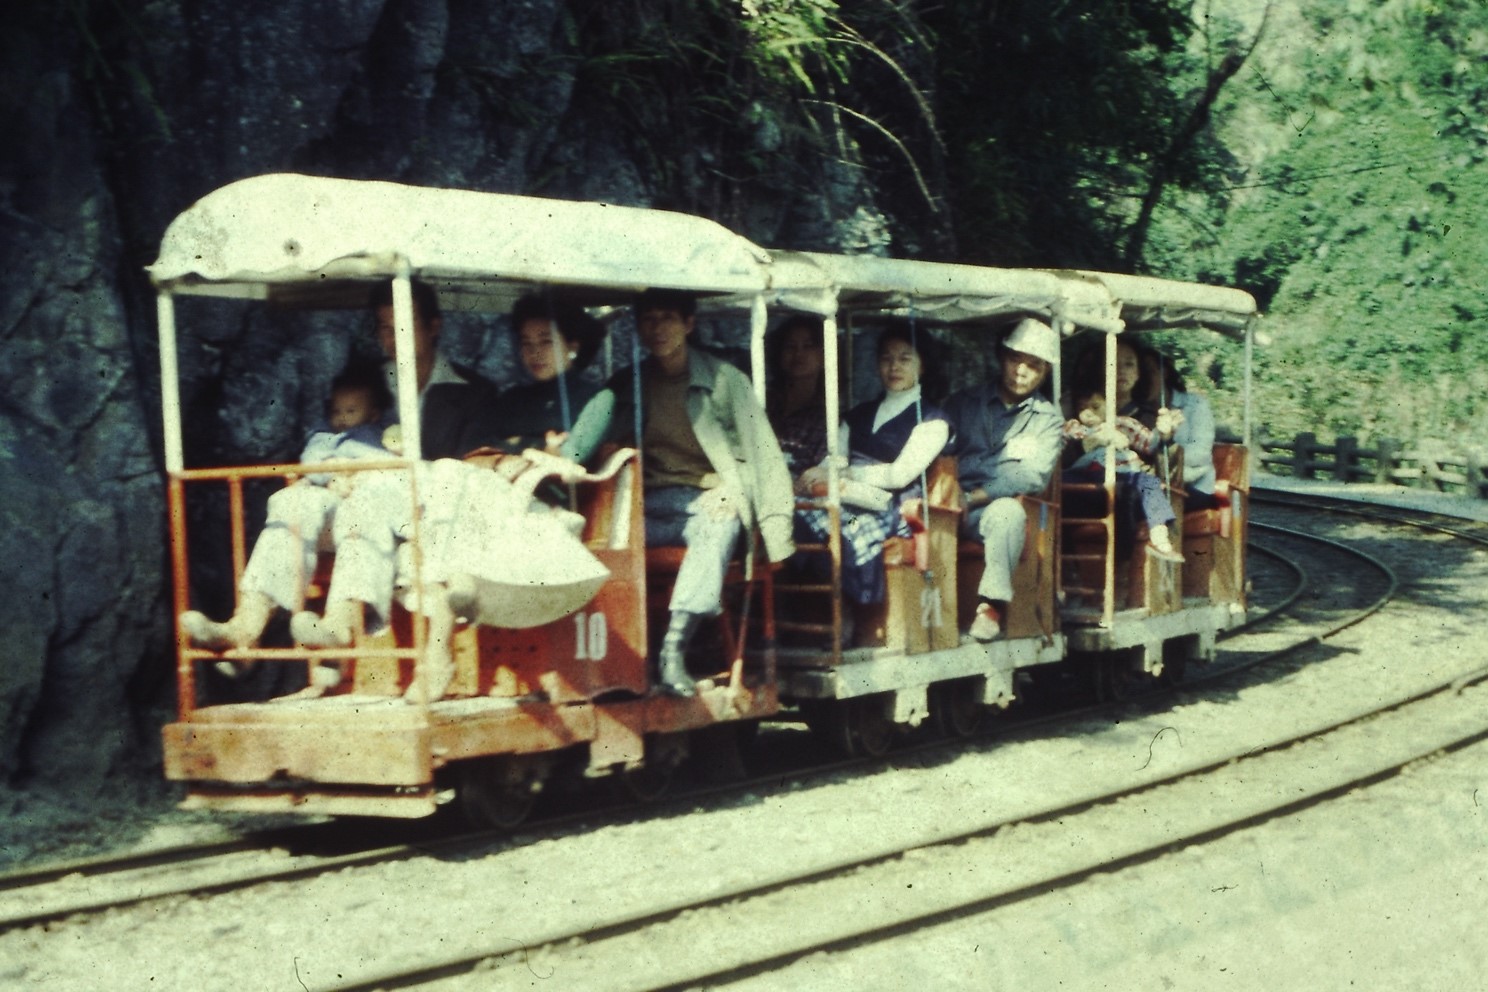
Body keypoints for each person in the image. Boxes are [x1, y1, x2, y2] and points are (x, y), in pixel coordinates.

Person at [594, 288, 795, 695]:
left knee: (717, 524)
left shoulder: (723, 380)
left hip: (705, 501)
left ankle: (672, 650)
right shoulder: (633, 382)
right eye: (648, 320)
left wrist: (733, 492)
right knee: (600, 540)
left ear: (688, 324)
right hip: (648, 504)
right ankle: (611, 660)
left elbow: (762, 454)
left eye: (668, 317)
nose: (658, 329)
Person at [179, 361, 397, 655]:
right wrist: (330, 474)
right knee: (290, 500)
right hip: (329, 504)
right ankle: (245, 626)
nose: (342, 418)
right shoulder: (323, 436)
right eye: (337, 411)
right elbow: (311, 461)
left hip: (371, 504)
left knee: (365, 506)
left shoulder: (385, 431)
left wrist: (362, 475)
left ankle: (340, 625)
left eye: (351, 411)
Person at [794, 323, 952, 645]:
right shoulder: (858, 414)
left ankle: (850, 607)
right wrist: (821, 471)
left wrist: (845, 475)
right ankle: (824, 608)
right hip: (846, 501)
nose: (894, 367)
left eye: (904, 359)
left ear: (922, 364)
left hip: (890, 512)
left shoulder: (932, 420)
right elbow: (835, 458)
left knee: (845, 525)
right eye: (886, 358)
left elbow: (899, 475)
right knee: (802, 512)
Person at [943, 318, 1064, 642]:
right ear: (1001, 357)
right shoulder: (962, 403)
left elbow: (1032, 474)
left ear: (1045, 372)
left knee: (1009, 512)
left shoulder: (1048, 421)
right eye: (1015, 360)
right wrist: (950, 487)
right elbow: (938, 451)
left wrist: (978, 495)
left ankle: (990, 607)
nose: (1021, 372)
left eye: (1033, 365)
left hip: (990, 510)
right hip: (948, 500)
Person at [1063, 389, 1185, 563]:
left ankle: (1159, 534)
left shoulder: (1123, 424)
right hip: (1091, 475)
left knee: (1148, 482)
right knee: (1060, 481)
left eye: (1096, 406)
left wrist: (1164, 431)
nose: (1089, 412)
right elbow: (1061, 435)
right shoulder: (1078, 428)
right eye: (1082, 408)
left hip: (1122, 474)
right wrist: (1093, 439)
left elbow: (1150, 442)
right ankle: (1068, 563)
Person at [1141, 350, 1218, 510]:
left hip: (1195, 488)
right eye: (1140, 372)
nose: (1145, 378)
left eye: (1150, 371)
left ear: (1165, 373)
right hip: (1153, 485)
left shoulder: (1195, 404)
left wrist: (1162, 463)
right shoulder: (1139, 411)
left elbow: (1201, 454)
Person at [765, 314, 831, 481]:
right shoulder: (764, 400)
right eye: (790, 346)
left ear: (824, 356)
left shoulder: (830, 413)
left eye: (808, 346)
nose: (798, 354)